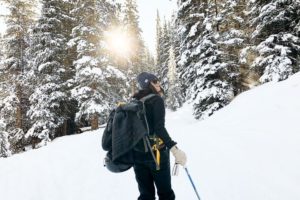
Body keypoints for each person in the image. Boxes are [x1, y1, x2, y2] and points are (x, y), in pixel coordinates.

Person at [132, 72, 187, 200]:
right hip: (156, 154)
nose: (159, 83)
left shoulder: (134, 102)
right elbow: (159, 128)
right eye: (155, 81)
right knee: (165, 194)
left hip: (138, 155)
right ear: (149, 83)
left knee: (146, 195)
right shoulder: (156, 100)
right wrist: (174, 149)